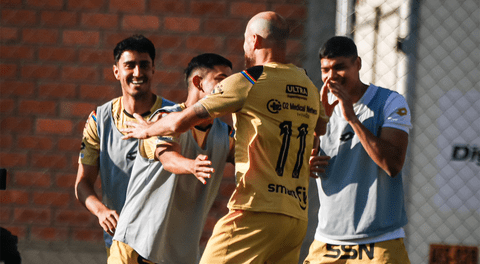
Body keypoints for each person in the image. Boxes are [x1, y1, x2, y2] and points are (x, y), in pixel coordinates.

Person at [122, 11, 329, 263]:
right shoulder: (307, 84)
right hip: (296, 217)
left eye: (244, 41)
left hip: (255, 210)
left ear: (254, 40)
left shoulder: (249, 79)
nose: (243, 48)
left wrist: (146, 130)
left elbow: (181, 121)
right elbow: (319, 129)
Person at [107, 53, 235, 264]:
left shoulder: (225, 135)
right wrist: (191, 165)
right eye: (222, 81)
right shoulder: (162, 119)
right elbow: (168, 158)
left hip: (177, 255)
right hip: (136, 247)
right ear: (198, 83)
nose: (229, 89)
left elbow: (253, 158)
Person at [304, 36, 412, 263]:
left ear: (358, 64)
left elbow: (392, 165)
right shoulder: (316, 107)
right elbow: (302, 163)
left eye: (339, 67)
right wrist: (309, 157)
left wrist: (351, 117)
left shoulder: (389, 102)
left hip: (379, 239)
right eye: (325, 70)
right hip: (328, 240)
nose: (331, 76)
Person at [74, 34, 175, 255]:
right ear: (116, 71)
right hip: (121, 241)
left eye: (144, 66)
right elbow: (82, 184)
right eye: (130, 65)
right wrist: (101, 211)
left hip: (165, 243)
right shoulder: (99, 119)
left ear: (153, 69)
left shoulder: (174, 116)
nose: (138, 73)